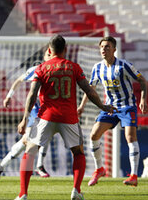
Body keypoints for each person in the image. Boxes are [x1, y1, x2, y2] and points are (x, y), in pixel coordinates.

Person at [15, 35, 115, 200]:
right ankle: (76, 191)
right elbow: (89, 91)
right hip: (68, 117)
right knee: (78, 152)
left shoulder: (41, 68)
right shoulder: (73, 67)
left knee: (30, 151)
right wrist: (103, 107)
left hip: (45, 116)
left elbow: (32, 94)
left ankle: (23, 194)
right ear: (65, 50)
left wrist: (25, 118)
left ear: (49, 50)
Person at [77, 36, 147, 187]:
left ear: (114, 50)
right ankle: (99, 169)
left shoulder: (124, 66)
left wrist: (142, 99)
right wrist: (82, 106)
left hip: (127, 106)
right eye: (102, 47)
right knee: (94, 135)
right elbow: (90, 89)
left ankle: (134, 176)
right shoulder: (97, 68)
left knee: (130, 137)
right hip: (110, 108)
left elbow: (143, 81)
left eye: (107, 46)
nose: (104, 49)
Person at [0, 50, 51, 180]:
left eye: (52, 54)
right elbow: (18, 80)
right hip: (37, 111)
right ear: (44, 57)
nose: (51, 56)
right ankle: (39, 166)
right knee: (30, 139)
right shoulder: (37, 70)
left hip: (50, 110)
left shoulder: (59, 71)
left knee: (28, 140)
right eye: (48, 54)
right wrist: (9, 96)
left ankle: (2, 165)